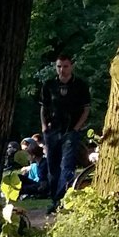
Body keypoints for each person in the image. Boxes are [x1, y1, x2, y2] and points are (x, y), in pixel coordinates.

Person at [40, 54, 90, 212]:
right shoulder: (49, 85)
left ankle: (63, 199)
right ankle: (54, 200)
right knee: (52, 167)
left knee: (66, 166)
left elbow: (86, 109)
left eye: (65, 66)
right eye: (59, 66)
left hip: (71, 130)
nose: (62, 70)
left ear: (71, 66)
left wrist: (76, 128)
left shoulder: (80, 85)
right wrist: (43, 126)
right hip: (52, 130)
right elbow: (43, 107)